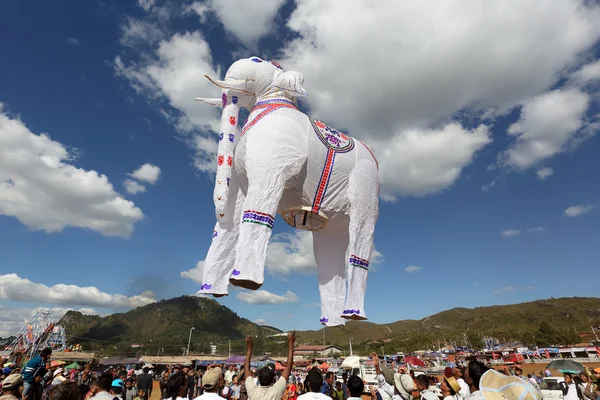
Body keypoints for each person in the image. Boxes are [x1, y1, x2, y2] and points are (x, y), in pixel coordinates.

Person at [243, 332, 295, 400]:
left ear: (258, 378)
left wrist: (249, 348)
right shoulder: (276, 391)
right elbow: (288, 367)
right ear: (273, 379)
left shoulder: (252, 391)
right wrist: (291, 343)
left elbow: (246, 369)